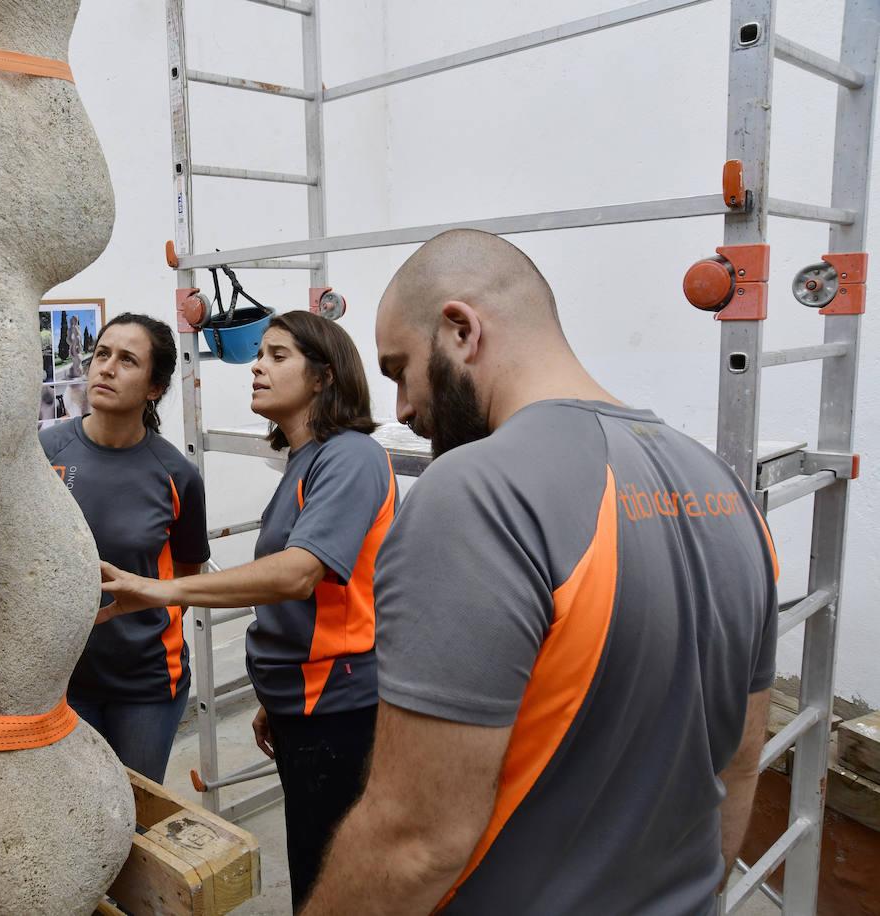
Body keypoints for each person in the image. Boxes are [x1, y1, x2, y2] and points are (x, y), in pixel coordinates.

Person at [301, 229, 779, 915]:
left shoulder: (475, 493)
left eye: (399, 369)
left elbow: (414, 844)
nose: (402, 409)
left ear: (460, 330)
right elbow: (736, 766)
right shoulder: (723, 486)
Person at [100, 310, 396, 907]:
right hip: (300, 700)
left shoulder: (351, 456)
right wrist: (273, 697)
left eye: (277, 356)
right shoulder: (306, 461)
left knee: (327, 876)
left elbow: (298, 574)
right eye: (259, 354)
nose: (256, 366)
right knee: (311, 854)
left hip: (336, 706)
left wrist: (159, 589)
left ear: (324, 377)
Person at [40, 313, 210, 782]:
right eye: (102, 355)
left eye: (127, 360)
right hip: (62, 675)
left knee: (134, 813)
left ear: (154, 388)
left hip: (147, 682)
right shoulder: (45, 451)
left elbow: (186, 578)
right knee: (74, 811)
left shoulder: (176, 476)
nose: (107, 368)